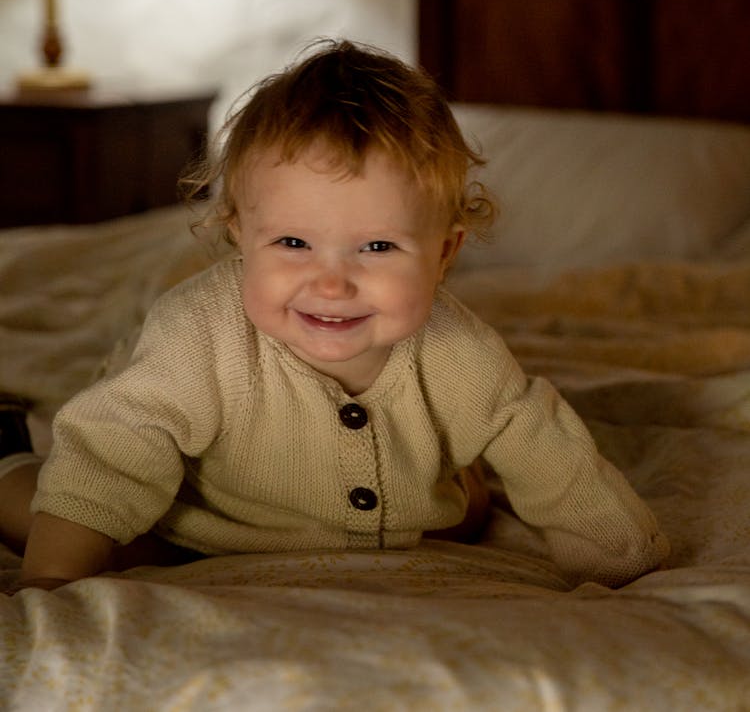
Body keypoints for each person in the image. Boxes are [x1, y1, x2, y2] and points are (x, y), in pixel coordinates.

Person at [0, 40, 669, 592]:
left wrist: (624, 565)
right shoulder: (198, 334)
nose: (330, 280)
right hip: (195, 521)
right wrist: (52, 585)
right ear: (237, 233)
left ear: (444, 254)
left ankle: (452, 479)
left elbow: (547, 450)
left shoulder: (461, 351)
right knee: (76, 512)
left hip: (404, 511)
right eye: (292, 243)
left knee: (467, 506)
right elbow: (113, 452)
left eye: (377, 246)